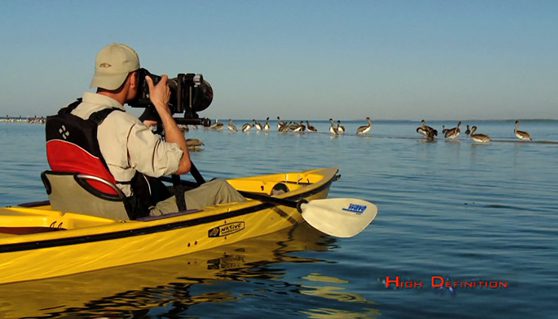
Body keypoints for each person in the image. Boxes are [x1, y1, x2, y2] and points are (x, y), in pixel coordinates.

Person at [67, 43, 245, 218]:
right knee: (220, 188)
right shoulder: (124, 125)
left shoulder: (73, 115)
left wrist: (145, 124)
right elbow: (182, 164)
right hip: (129, 216)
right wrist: (161, 107)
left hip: (86, 208)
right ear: (133, 79)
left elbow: (111, 145)